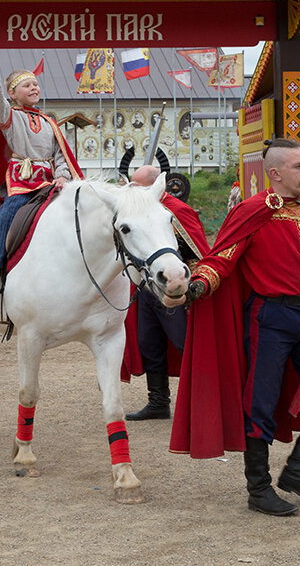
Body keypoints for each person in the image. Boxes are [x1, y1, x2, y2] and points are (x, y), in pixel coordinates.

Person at [167, 138, 300, 517]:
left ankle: (297, 471)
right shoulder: (251, 211)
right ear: (274, 174)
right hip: (270, 319)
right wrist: (198, 284)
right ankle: (258, 489)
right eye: (299, 167)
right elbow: (221, 259)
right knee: (260, 402)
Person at [0, 37, 79, 297]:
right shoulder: (11, 117)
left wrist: (64, 177)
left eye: (35, 84)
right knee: (6, 214)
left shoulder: (49, 122)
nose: (34, 88)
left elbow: (62, 155)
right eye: (27, 85)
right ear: (12, 94)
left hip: (51, 181)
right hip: (22, 181)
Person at [122, 164, 210, 420]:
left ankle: (203, 403)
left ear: (154, 186)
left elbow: (197, 252)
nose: (132, 192)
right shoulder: (137, 212)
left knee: (186, 345)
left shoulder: (178, 211)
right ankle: (159, 402)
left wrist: (192, 288)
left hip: (177, 290)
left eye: (138, 187)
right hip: (148, 291)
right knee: (150, 345)